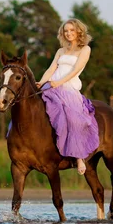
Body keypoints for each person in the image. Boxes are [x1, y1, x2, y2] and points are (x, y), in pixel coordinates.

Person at [36, 18, 99, 175]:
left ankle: (78, 157)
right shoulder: (60, 51)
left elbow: (76, 70)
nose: (69, 33)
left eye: (72, 30)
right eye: (66, 31)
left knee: (72, 117)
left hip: (69, 87)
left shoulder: (85, 49)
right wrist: (41, 82)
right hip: (52, 84)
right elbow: (51, 69)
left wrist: (59, 82)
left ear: (79, 31)